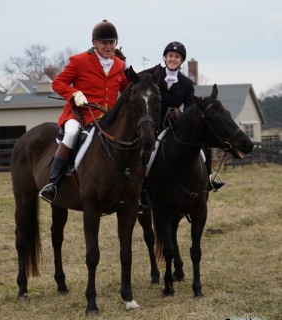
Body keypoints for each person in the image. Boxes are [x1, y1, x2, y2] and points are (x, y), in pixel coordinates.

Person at [39, 19, 129, 203]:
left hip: (107, 118)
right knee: (71, 133)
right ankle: (53, 183)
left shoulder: (120, 65)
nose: (109, 46)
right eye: (104, 43)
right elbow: (58, 83)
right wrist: (74, 94)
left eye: (112, 42)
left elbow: (127, 90)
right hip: (80, 114)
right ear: (94, 43)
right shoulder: (79, 61)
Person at [139, 41, 224, 210]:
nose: (173, 59)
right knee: (143, 152)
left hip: (172, 126)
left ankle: (208, 181)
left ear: (181, 60)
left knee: (202, 146)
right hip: (152, 125)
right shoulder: (151, 75)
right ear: (165, 57)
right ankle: (141, 191)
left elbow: (190, 107)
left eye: (177, 57)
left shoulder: (186, 83)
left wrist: (178, 114)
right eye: (170, 56)